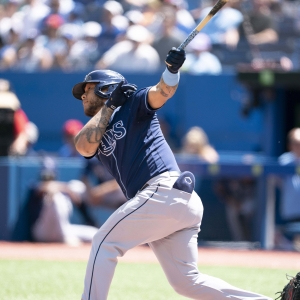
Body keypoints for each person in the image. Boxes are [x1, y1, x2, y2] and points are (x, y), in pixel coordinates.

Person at [71, 48, 271, 299]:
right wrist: (110, 105)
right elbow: (82, 145)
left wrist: (172, 70)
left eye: (87, 90)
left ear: (104, 88)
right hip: (169, 201)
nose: (82, 97)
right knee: (186, 282)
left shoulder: (134, 104)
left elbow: (162, 91)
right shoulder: (98, 125)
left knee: (104, 242)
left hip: (163, 190)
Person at [27, 156, 98, 246]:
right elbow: (47, 187)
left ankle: (67, 236)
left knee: (95, 234)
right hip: (42, 232)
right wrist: (67, 189)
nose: (48, 178)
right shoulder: (36, 186)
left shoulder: (62, 189)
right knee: (56, 197)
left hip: (63, 229)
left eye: (50, 175)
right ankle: (65, 239)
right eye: (45, 176)